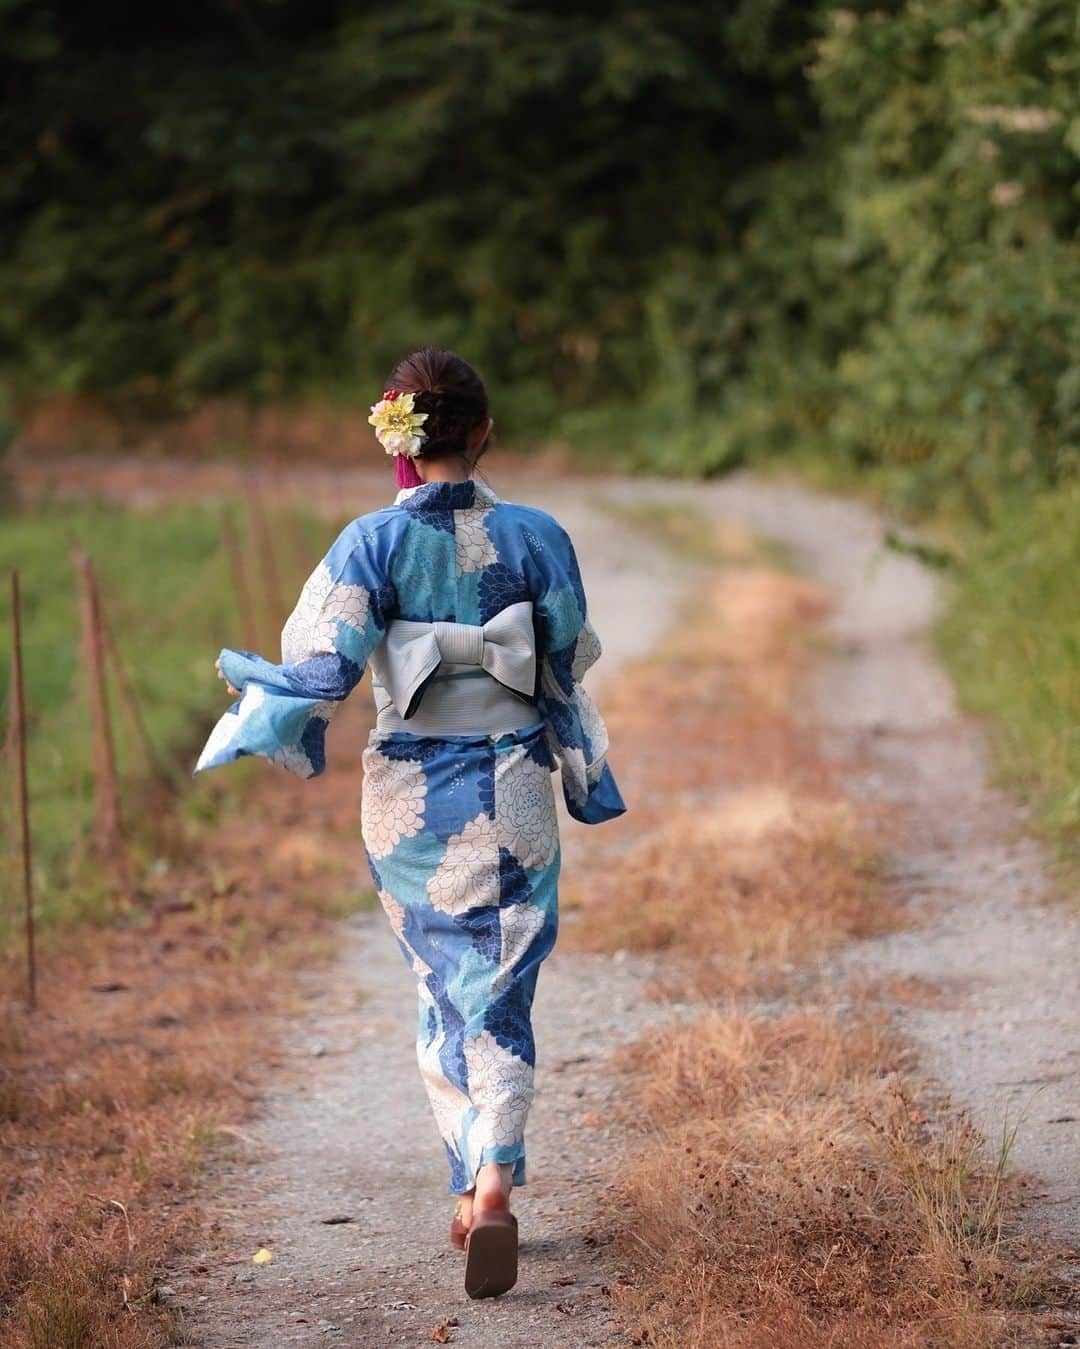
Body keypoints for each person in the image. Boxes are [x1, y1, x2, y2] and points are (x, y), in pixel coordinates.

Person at [194, 347, 625, 1299]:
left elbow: (322, 669)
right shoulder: (538, 533)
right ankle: (499, 1174)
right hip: (512, 784)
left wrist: (258, 690)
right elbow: (574, 651)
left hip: (410, 802)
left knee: (442, 983)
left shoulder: (366, 544)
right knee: (503, 980)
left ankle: (475, 1181)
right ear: (484, 432)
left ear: (400, 434)